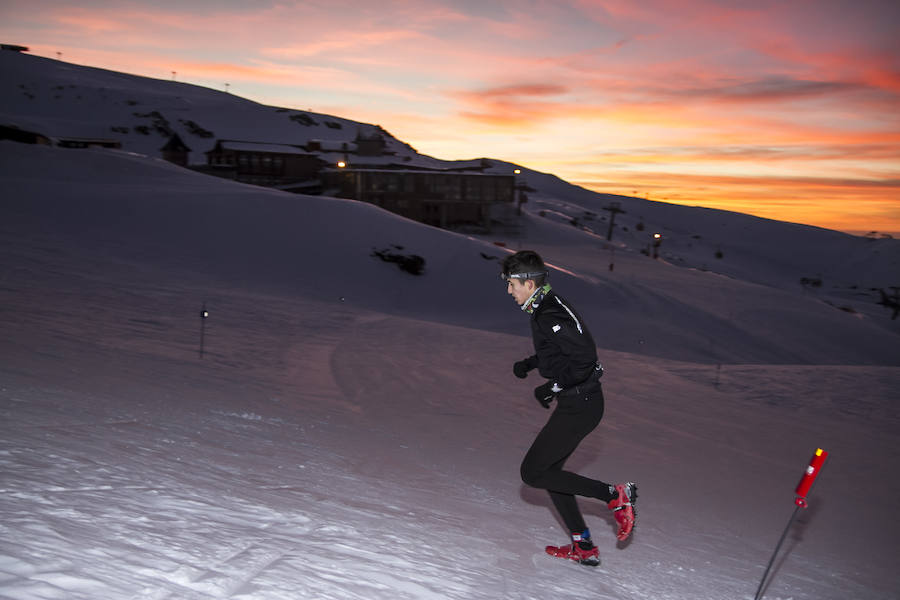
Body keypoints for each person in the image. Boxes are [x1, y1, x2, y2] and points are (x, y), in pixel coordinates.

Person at [501, 250, 636, 567]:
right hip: (579, 402)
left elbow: (585, 359)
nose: (509, 291)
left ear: (529, 282)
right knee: (549, 474)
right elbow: (559, 351)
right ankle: (583, 546)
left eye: (511, 284)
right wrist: (531, 364)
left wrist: (553, 386)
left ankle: (614, 495)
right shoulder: (544, 307)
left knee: (532, 473)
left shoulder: (550, 313)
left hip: (582, 404)